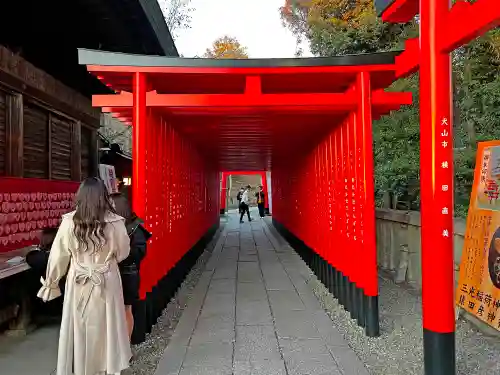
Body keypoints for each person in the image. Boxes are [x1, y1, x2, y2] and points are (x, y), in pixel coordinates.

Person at [37, 177, 132, 375]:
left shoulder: (69, 222)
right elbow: (123, 253)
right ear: (103, 197)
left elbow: (58, 256)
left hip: (78, 281)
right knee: (108, 328)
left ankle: (80, 368)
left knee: (79, 327)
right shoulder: (115, 222)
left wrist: (51, 282)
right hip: (107, 278)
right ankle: (108, 367)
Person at [111, 192, 150, 341]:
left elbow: (140, 252)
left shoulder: (135, 227)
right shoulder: (108, 227)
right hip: (113, 272)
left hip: (128, 274)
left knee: (126, 309)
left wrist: (121, 251)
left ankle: (126, 347)